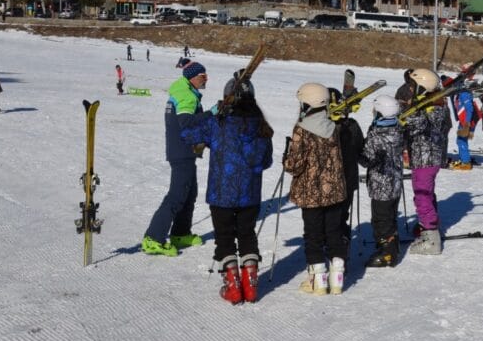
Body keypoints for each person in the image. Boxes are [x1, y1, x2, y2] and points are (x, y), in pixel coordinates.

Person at [179, 76, 273, 304]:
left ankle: (233, 287)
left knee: (225, 238)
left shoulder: (219, 123)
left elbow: (187, 134)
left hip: (221, 193)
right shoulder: (260, 125)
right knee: (247, 235)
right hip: (249, 194)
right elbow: (266, 160)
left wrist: (212, 113)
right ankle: (250, 287)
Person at [284, 83, 348, 295]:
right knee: (334, 233)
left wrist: (287, 159)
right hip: (334, 190)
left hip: (310, 192)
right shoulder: (333, 127)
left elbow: (295, 165)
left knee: (313, 235)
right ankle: (337, 279)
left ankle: (318, 281)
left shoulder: (302, 128)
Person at [142, 61, 209, 257]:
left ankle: (180, 233)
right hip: (182, 152)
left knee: (189, 193)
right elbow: (186, 122)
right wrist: (211, 114)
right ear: (193, 77)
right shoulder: (186, 95)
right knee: (177, 195)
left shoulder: (184, 91)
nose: (206, 79)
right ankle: (153, 238)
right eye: (203, 76)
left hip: (185, 152)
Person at [404, 68, 450, 255]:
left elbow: (414, 123)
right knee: (427, 193)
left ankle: (431, 237)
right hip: (427, 157)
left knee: (422, 195)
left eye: (414, 86)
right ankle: (427, 223)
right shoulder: (433, 104)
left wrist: (406, 113)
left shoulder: (430, 108)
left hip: (425, 158)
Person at [358, 95, 405, 267]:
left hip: (381, 184)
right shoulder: (398, 129)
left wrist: (357, 151)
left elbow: (367, 159)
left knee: (380, 220)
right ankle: (392, 246)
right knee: (390, 217)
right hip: (395, 182)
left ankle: (387, 253)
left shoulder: (377, 135)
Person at [328, 87, 365, 262]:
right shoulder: (348, 126)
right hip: (344, 180)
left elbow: (360, 150)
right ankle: (339, 247)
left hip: (338, 181)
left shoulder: (349, 126)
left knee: (335, 217)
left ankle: (339, 250)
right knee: (340, 217)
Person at [449, 74, 479, 171]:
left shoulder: (464, 93)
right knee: (461, 140)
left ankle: (466, 162)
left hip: (466, 121)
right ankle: (464, 160)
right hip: (464, 120)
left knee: (461, 140)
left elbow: (469, 109)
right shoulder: (459, 93)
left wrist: (467, 124)